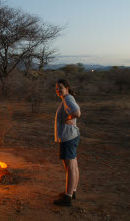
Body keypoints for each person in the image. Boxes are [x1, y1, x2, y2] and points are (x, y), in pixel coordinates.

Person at [53, 79, 81, 207]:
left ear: (67, 88)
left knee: (69, 167)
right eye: (56, 88)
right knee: (73, 165)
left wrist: (69, 118)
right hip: (72, 136)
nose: (58, 90)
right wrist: (69, 118)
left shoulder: (67, 99)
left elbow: (77, 113)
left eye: (60, 87)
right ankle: (72, 192)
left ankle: (67, 198)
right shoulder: (68, 98)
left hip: (68, 137)